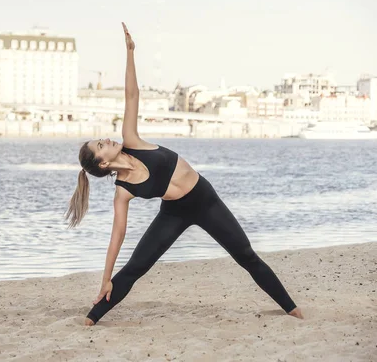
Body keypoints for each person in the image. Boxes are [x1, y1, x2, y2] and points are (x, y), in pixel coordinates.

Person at [65, 22, 303, 326]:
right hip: (174, 212)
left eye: (103, 138)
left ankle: (292, 310)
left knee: (245, 254)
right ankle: (91, 319)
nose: (107, 139)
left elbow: (131, 95)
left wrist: (130, 53)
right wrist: (106, 277)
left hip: (205, 200)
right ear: (102, 164)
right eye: (101, 145)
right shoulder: (123, 190)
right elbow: (117, 236)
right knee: (137, 266)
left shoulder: (132, 141)